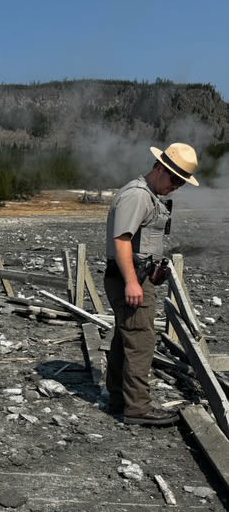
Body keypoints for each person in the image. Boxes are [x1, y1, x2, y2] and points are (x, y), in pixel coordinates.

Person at [104, 142, 199, 426]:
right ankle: (138, 408)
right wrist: (133, 281)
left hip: (136, 275)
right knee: (141, 340)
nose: (176, 186)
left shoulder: (148, 196)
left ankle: (120, 398)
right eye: (174, 179)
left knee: (127, 338)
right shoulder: (138, 196)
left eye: (181, 182)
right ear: (159, 168)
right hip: (130, 277)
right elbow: (121, 240)